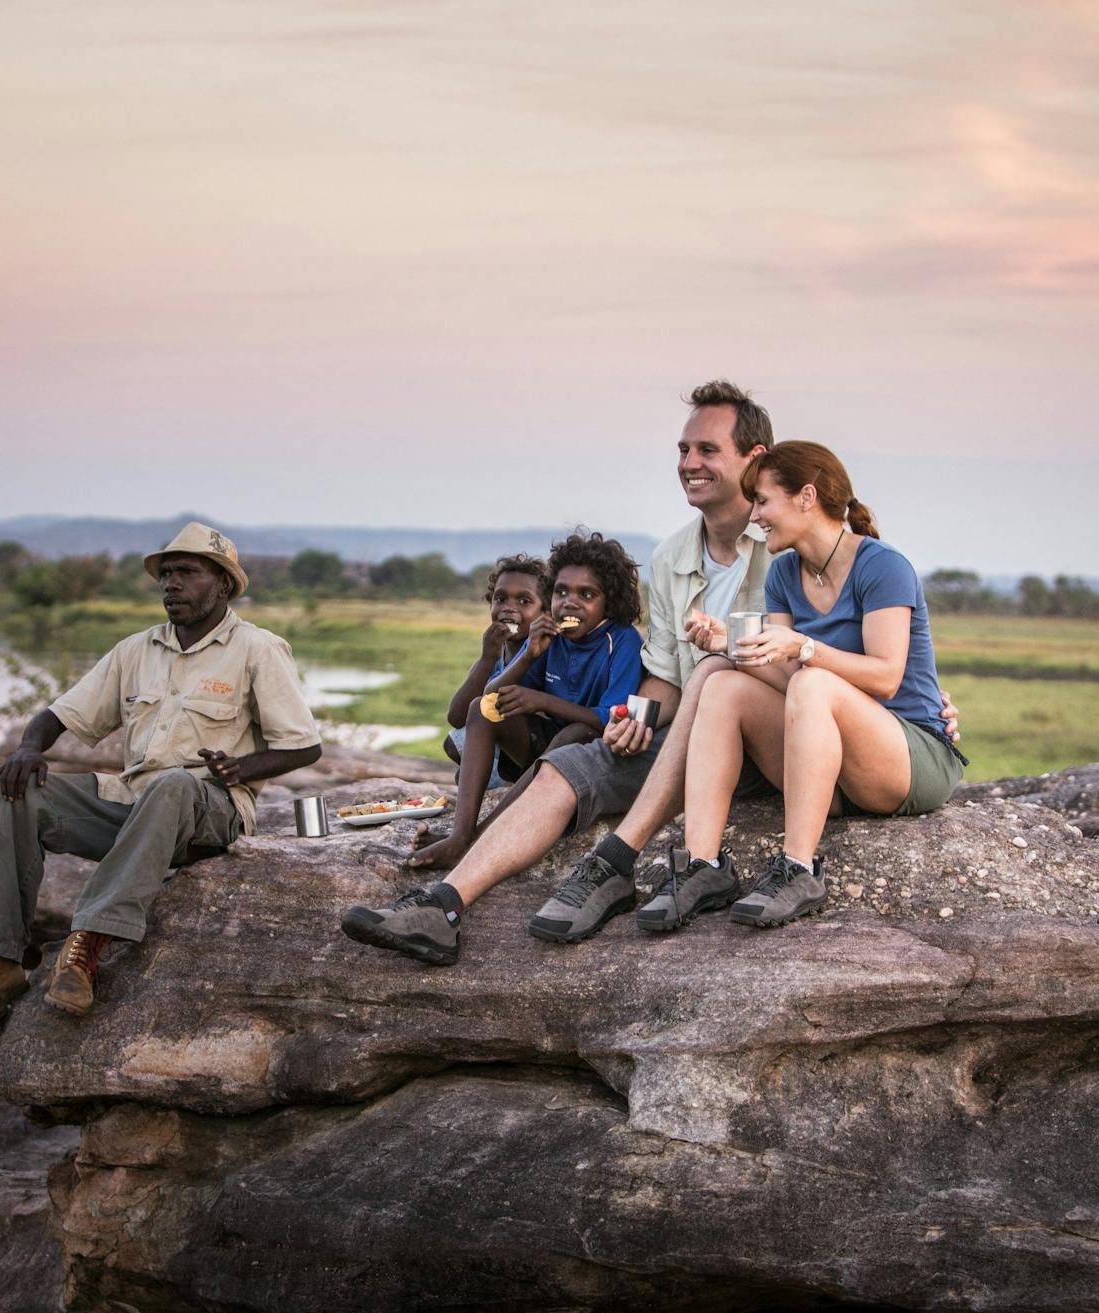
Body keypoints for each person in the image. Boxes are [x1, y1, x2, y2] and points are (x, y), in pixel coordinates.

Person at [334, 380, 782, 966]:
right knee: (572, 761)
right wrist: (635, 718)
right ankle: (443, 907)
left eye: (707, 450)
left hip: (764, 739)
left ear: (755, 459)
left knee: (709, 694)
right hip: (688, 736)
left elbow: (811, 661)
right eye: (682, 450)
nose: (689, 464)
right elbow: (668, 675)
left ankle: (615, 866)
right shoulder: (674, 556)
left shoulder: (784, 544)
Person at [0, 522, 322, 1027]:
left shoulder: (258, 648)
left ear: (222, 584)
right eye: (166, 574)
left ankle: (86, 945)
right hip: (133, 805)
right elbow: (57, 716)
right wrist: (26, 749)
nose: (171, 584)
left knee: (174, 784)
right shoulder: (136, 650)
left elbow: (304, 745)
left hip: (210, 814)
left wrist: (241, 768)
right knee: (23, 795)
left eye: (187, 573)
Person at [659, 440, 967, 929]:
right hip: (833, 767)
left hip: (908, 757)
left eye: (762, 500)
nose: (754, 515)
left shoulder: (883, 566)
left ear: (806, 496)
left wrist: (802, 647)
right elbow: (783, 678)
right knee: (723, 684)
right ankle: (702, 866)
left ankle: (798, 867)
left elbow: (886, 677)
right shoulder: (784, 573)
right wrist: (729, 644)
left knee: (814, 682)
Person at [393, 531, 644, 875]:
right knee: (481, 710)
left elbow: (609, 720)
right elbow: (490, 699)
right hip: (542, 750)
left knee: (576, 731)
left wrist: (541, 700)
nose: (569, 603)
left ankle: (480, 839)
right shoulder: (549, 634)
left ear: (609, 603)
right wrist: (528, 657)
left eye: (586, 594)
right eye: (560, 592)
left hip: (588, 755)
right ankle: (460, 834)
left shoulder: (622, 641)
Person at [437, 554, 550, 791]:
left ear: (545, 611)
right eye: (500, 599)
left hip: (538, 748)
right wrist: (487, 658)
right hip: (503, 748)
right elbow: (457, 717)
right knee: (453, 743)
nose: (509, 608)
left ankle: (524, 784)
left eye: (524, 601)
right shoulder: (494, 655)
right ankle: (501, 780)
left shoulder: (546, 653)